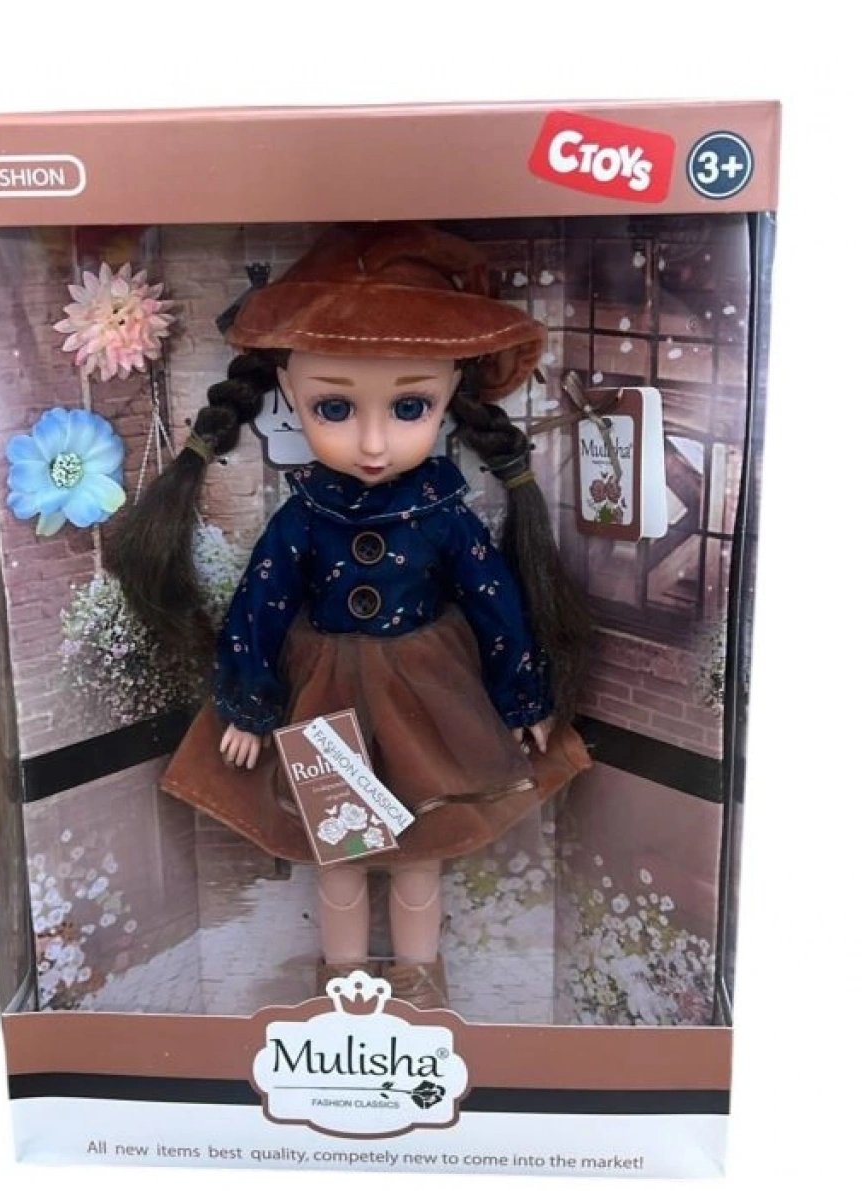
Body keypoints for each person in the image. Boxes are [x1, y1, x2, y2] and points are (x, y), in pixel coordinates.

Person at [106, 222, 591, 1009]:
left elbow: (496, 604)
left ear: (449, 395)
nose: (372, 441)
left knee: (420, 857)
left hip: (430, 698)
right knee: (340, 853)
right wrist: (250, 705)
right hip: (323, 698)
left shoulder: (443, 514)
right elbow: (260, 604)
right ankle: (344, 992)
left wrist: (523, 698)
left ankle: (420, 989)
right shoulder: (304, 517)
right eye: (335, 406)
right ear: (290, 391)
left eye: (409, 406)